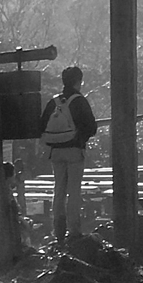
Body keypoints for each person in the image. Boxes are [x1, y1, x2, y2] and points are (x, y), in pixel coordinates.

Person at [39, 65, 97, 244]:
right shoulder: (79, 101)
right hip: (74, 150)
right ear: (78, 81)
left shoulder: (54, 102)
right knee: (74, 191)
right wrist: (80, 136)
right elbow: (91, 128)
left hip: (55, 152)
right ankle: (74, 231)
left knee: (59, 190)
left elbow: (41, 126)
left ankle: (58, 232)